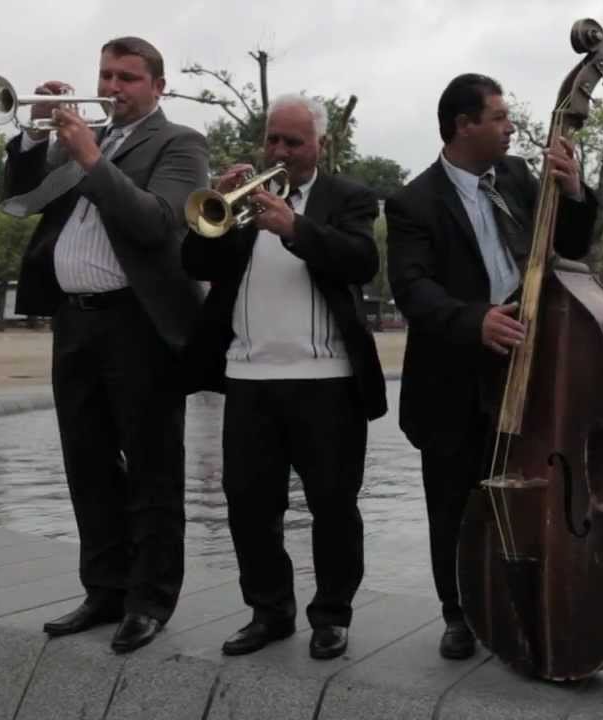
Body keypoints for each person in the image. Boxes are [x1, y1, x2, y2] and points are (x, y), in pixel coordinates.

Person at [1, 36, 207, 654]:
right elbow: (17, 202)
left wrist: (92, 160)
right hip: (76, 321)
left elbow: (157, 222)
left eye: (128, 77)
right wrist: (37, 140)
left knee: (150, 467)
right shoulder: (80, 140)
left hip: (138, 324)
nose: (112, 87)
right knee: (86, 463)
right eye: (106, 75)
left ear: (157, 87)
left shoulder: (180, 143)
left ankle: (150, 601)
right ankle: (104, 590)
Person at [385, 73, 598, 660]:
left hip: (530, 363)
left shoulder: (520, 177)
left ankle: (523, 597)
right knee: (452, 500)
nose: (512, 127)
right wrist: (474, 320)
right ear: (463, 126)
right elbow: (412, 288)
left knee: (530, 490)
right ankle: (458, 614)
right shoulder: (411, 202)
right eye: (500, 117)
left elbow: (573, 245)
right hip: (454, 377)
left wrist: (574, 189)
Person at [180, 94, 386, 660]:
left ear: (320, 145)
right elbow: (196, 266)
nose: (280, 151)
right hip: (248, 377)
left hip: (327, 379)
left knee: (333, 504)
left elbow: (361, 260)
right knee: (247, 504)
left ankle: (331, 616)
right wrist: (217, 211)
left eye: (293, 142)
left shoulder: (349, 196)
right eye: (273, 139)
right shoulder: (242, 203)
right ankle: (269, 612)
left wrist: (294, 226)